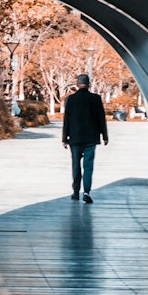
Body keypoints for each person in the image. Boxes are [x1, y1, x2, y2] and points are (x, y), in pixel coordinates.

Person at [61, 73, 108, 203]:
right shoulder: (96, 99)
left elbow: (67, 120)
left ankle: (76, 192)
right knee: (88, 166)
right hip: (91, 138)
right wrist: (104, 136)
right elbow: (101, 119)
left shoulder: (70, 100)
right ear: (89, 84)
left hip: (75, 138)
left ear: (77, 84)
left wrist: (64, 138)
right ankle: (86, 192)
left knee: (76, 165)